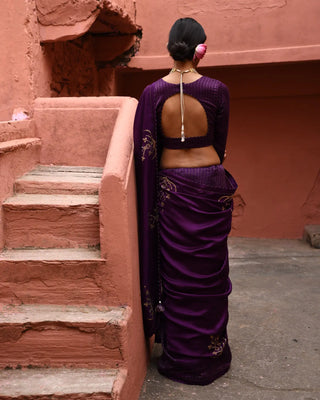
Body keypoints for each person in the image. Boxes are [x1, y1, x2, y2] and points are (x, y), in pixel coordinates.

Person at [133, 17, 238, 385]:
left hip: (172, 188)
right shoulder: (216, 89)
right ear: (200, 49)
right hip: (208, 184)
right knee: (208, 273)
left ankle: (181, 354)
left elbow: (147, 150)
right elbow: (220, 145)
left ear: (170, 47)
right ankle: (210, 354)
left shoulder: (151, 93)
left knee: (177, 273)